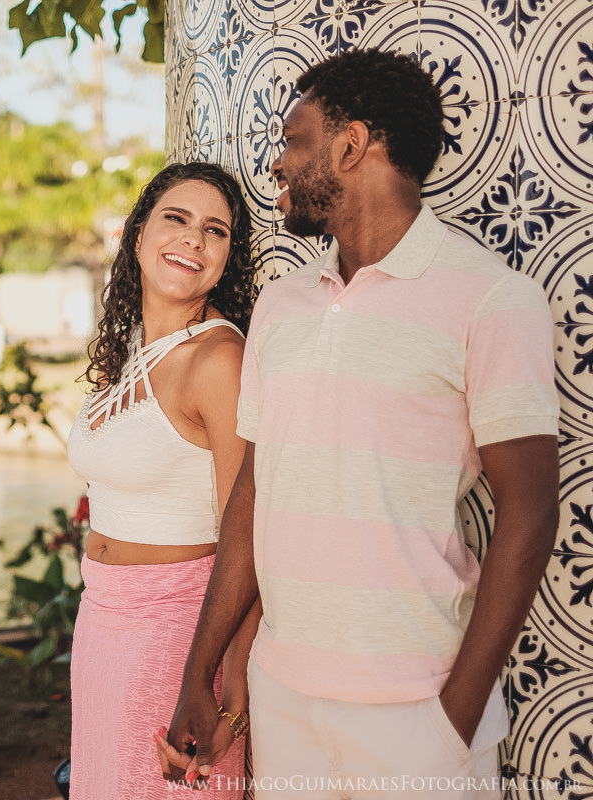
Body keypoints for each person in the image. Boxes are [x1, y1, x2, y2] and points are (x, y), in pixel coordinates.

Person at [158, 48, 559, 798]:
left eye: (293, 140)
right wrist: (199, 673)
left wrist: (453, 718)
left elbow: (531, 513)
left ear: (350, 146)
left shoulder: (491, 299)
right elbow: (253, 494)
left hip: (418, 708)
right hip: (285, 696)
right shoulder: (281, 303)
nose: (277, 163)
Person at [66, 161, 260, 800]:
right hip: (101, 619)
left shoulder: (218, 359)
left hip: (178, 631)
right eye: (176, 218)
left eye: (215, 230)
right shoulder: (129, 350)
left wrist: (228, 688)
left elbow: (251, 531)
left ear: (227, 259)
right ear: (138, 235)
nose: (193, 239)